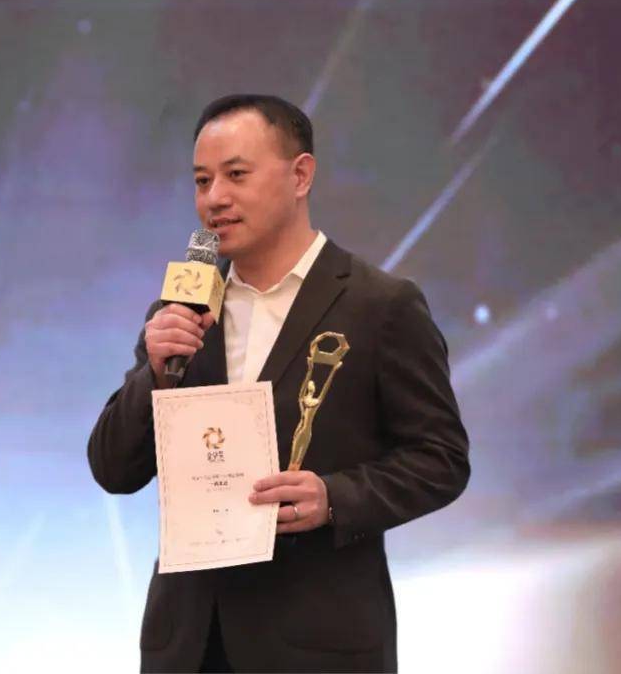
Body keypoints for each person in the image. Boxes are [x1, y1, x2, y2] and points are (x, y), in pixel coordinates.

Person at [87, 94, 469, 673]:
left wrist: (335, 498)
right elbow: (114, 469)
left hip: (317, 648)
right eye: (202, 181)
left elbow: (441, 459)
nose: (214, 198)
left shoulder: (380, 305)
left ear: (300, 175)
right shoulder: (182, 310)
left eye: (236, 175)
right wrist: (155, 377)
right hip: (188, 647)